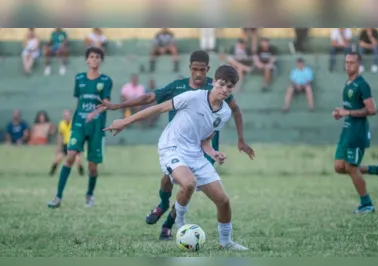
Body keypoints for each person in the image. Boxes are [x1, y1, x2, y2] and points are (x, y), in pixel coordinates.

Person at [97, 50, 255, 240]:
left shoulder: (224, 113)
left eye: (229, 87)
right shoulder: (192, 96)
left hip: (195, 153)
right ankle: (179, 220)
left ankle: (226, 242)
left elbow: (205, 139)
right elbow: (157, 107)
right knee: (187, 183)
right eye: (222, 84)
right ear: (214, 82)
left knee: (223, 201)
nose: (224, 90)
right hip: (171, 147)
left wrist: (213, 152)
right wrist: (125, 120)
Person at [47, 46, 113, 208]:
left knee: (92, 165)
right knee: (70, 155)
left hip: (97, 126)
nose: (94, 59)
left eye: (97, 57)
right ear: (86, 60)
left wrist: (95, 112)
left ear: (101, 60)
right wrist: (81, 115)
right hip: (79, 123)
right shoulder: (79, 79)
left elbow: (107, 104)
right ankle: (58, 197)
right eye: (91, 56)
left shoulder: (106, 80)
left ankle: (89, 195)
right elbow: (79, 100)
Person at [333, 52, 378, 214]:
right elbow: (350, 108)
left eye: (352, 63)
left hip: (357, 132)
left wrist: (348, 113)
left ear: (359, 65)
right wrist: (341, 113)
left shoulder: (362, 84)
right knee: (339, 167)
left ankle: (366, 204)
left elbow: (372, 110)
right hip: (346, 130)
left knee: (352, 168)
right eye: (346, 62)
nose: (348, 65)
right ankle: (377, 170)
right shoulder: (348, 83)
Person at [49, 110, 84, 176]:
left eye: (67, 115)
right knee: (57, 159)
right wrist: (59, 147)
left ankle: (82, 174)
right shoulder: (61, 124)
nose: (66, 117)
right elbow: (60, 135)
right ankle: (51, 173)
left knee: (78, 161)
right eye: (65, 116)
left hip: (74, 145)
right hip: (65, 145)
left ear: (70, 116)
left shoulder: (74, 123)